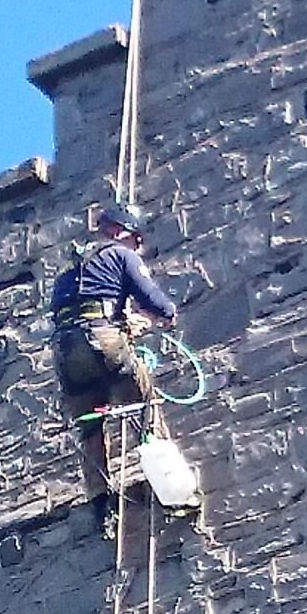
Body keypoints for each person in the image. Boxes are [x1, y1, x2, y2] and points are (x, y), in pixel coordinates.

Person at [51, 203, 178, 530]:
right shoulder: (120, 255)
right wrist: (167, 313)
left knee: (90, 426)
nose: (137, 246)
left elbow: (82, 308)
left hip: (66, 351)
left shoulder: (69, 270)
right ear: (120, 231)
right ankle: (167, 479)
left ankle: (99, 502)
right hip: (102, 340)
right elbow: (149, 296)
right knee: (144, 399)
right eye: (136, 239)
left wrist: (123, 322)